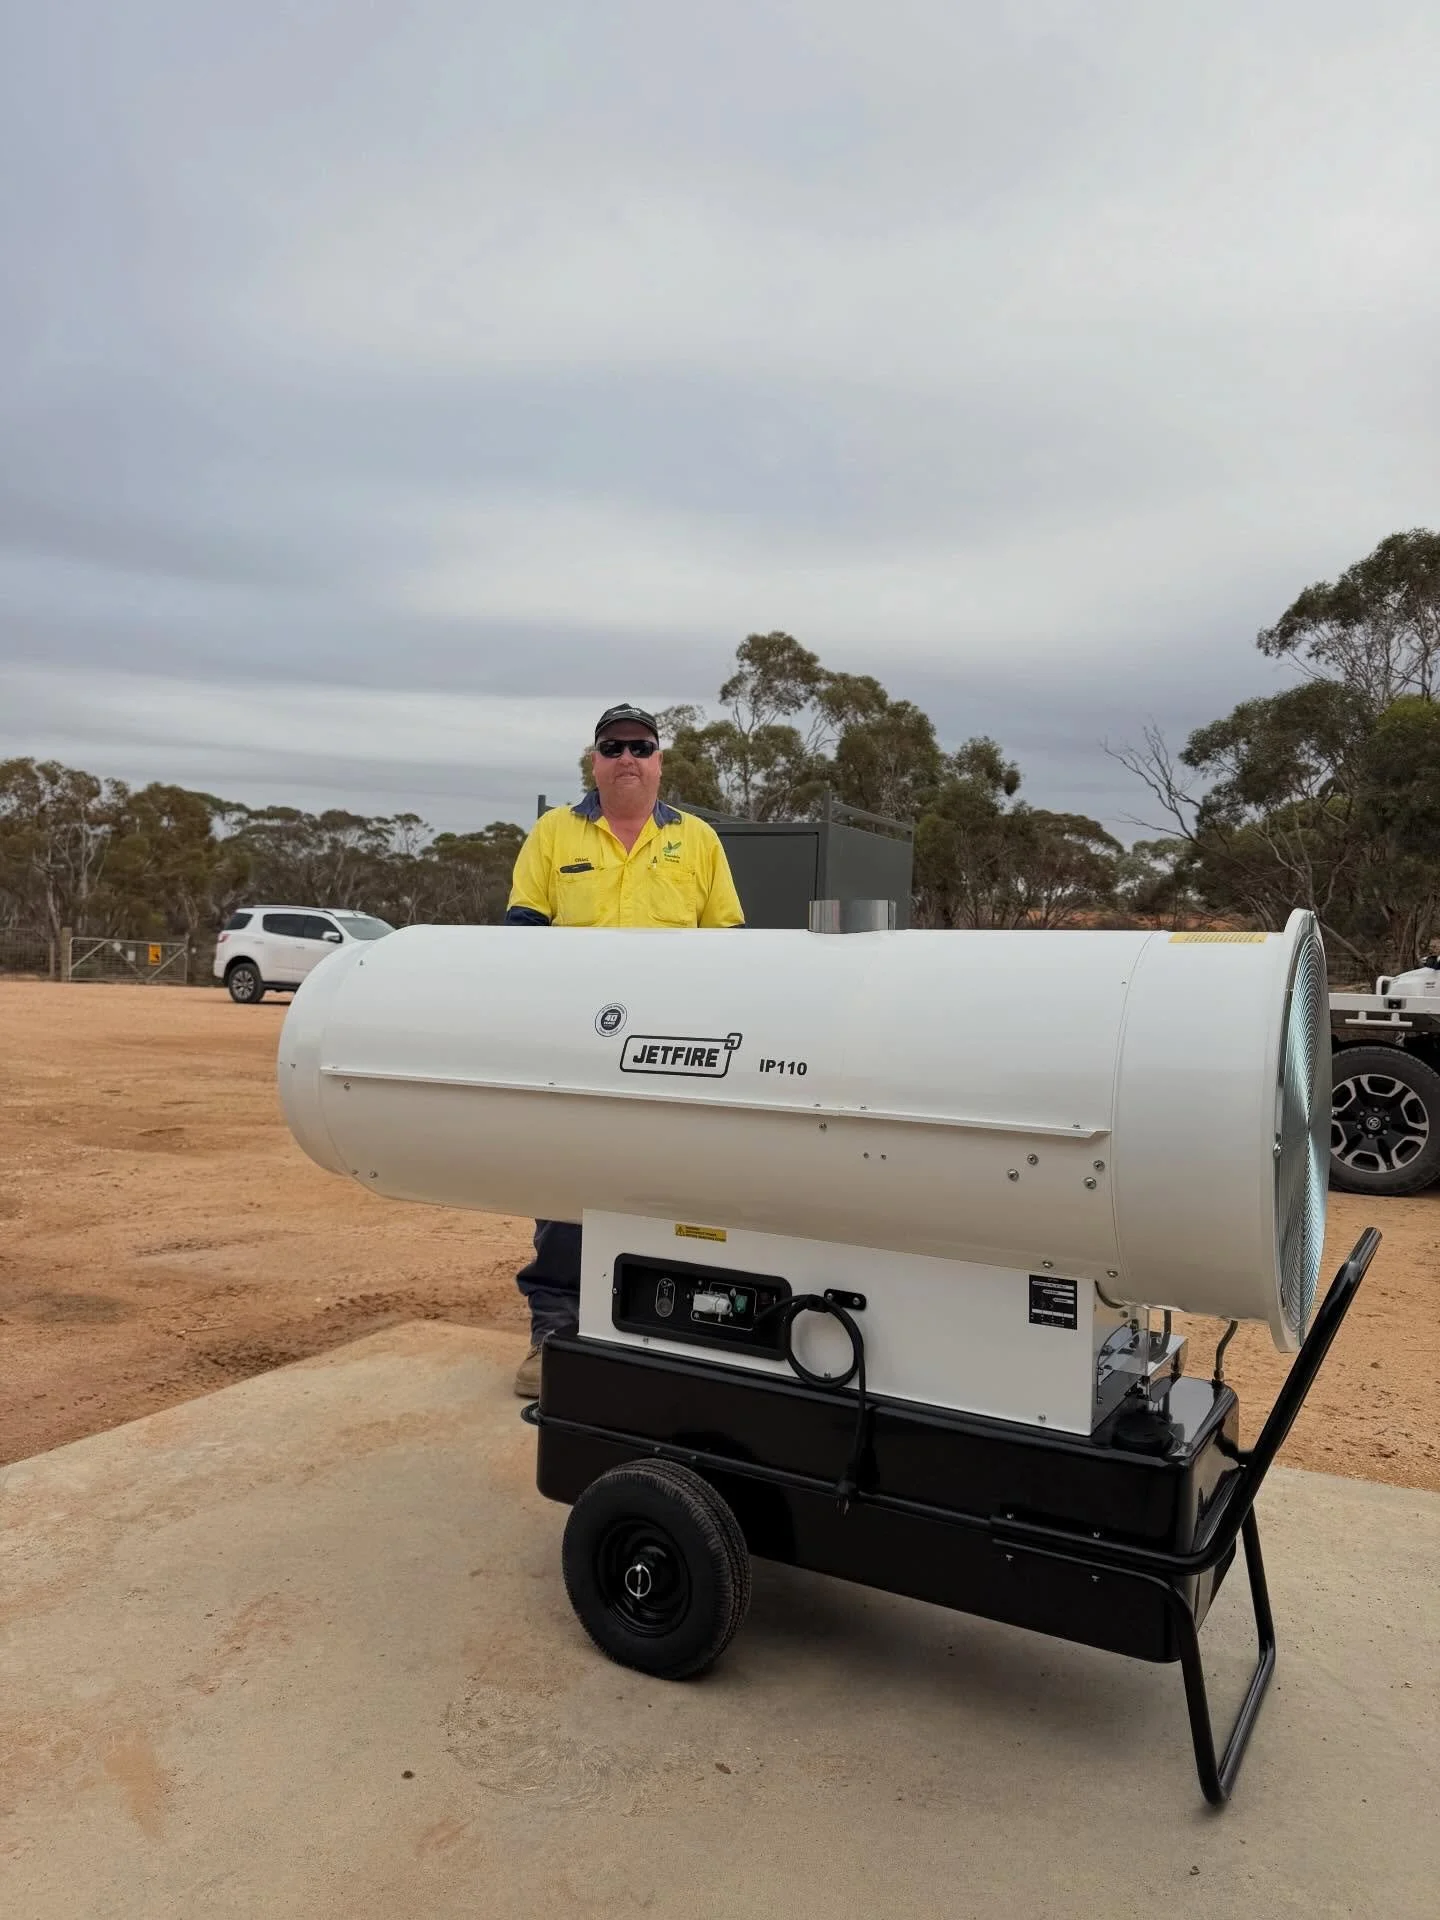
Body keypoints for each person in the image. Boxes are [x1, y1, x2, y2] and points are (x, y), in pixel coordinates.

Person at [505, 703, 744, 1394]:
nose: (628, 758)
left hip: (675, 1048)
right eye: (614, 747)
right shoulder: (553, 835)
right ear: (595, 761)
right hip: (574, 1047)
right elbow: (521, 934)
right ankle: (554, 1333)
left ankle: (673, 1336)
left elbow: (728, 945)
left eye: (641, 746)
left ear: (660, 760)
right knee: (566, 1189)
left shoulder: (696, 840)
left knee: (678, 1185)